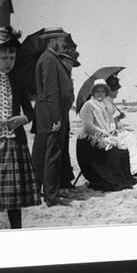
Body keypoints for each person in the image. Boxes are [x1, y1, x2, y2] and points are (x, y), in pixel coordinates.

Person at [0, 26, 40, 228]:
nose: (8, 62)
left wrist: (23, 119)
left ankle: (16, 231)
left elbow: (31, 111)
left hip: (15, 145)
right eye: (4, 58)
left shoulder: (18, 81)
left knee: (14, 197)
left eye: (12, 57)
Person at [31, 27, 75, 207]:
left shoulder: (50, 58)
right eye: (61, 39)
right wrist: (56, 117)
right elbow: (51, 91)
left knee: (46, 154)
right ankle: (51, 195)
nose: (63, 43)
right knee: (52, 155)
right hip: (52, 114)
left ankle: (46, 192)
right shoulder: (49, 59)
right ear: (52, 41)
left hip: (50, 113)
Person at [76, 79, 136, 191]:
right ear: (93, 93)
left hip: (101, 136)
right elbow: (88, 126)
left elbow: (107, 123)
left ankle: (123, 178)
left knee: (122, 151)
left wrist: (110, 132)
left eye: (102, 91)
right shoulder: (88, 105)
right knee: (113, 152)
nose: (100, 93)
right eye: (97, 91)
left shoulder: (103, 105)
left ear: (105, 93)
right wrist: (103, 135)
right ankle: (107, 179)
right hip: (89, 140)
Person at [104, 75, 137, 176]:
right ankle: (135, 167)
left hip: (109, 132)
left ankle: (135, 166)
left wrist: (118, 118)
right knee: (131, 137)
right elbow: (110, 124)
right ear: (111, 90)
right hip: (108, 134)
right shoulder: (107, 102)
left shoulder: (109, 101)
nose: (118, 92)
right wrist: (118, 120)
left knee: (129, 135)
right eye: (116, 90)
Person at [58, 52, 81, 189]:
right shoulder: (59, 75)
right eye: (68, 61)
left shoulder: (67, 76)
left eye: (72, 63)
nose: (70, 65)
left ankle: (65, 180)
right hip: (58, 114)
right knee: (59, 149)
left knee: (65, 146)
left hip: (65, 114)